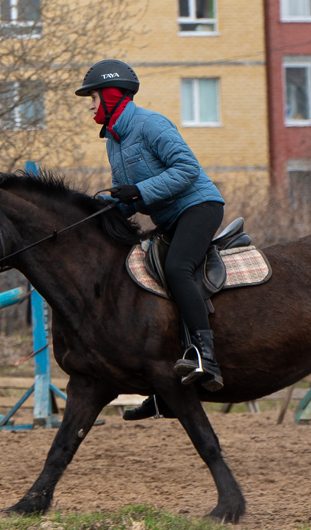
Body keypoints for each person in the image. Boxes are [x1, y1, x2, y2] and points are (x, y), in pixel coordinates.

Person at [75, 59, 225, 399]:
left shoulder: (150, 124)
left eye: (93, 98)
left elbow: (187, 169)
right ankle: (163, 389)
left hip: (199, 207)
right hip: (171, 218)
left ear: (111, 95)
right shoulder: (113, 140)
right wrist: (109, 209)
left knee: (176, 268)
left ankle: (207, 357)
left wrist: (140, 192)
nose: (90, 106)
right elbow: (127, 197)